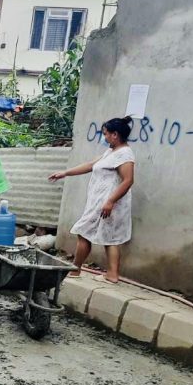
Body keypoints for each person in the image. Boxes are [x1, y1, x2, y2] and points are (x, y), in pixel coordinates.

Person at [49, 117, 136, 283]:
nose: (104, 137)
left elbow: (128, 180)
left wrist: (110, 201)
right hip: (101, 202)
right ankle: (111, 275)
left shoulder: (125, 154)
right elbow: (90, 165)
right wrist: (65, 173)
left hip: (107, 202)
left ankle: (75, 269)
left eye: (106, 134)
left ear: (115, 135)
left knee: (84, 232)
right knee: (110, 237)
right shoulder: (111, 152)